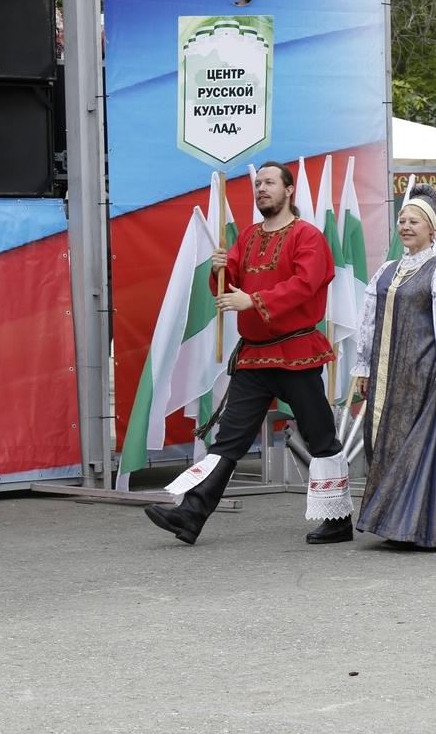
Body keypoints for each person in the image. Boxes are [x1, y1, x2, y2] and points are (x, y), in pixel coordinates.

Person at [144, 161, 354, 545]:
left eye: (269, 182)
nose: (261, 189)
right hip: (255, 357)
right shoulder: (247, 237)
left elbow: (305, 285)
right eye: (258, 184)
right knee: (230, 439)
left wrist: (252, 300)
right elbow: (227, 285)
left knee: (320, 436)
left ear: (289, 190)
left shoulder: (308, 236)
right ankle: (190, 516)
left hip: (296, 352)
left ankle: (338, 518)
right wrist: (218, 269)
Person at [350, 184, 436, 548]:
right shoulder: (387, 270)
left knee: (417, 448)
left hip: (423, 373)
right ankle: (393, 522)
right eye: (402, 220)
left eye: (414, 221)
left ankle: (415, 527)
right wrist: (363, 366)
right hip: (388, 373)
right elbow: (368, 320)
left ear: (433, 229)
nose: (406, 226)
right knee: (385, 444)